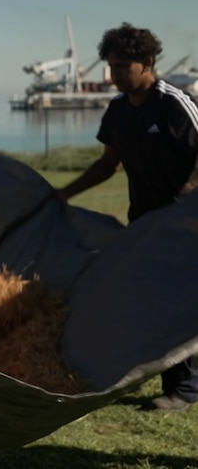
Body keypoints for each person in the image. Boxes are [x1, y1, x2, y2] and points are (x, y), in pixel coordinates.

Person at [54, 22, 198, 411]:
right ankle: (173, 381)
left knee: (173, 299)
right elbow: (108, 165)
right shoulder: (118, 111)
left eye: (122, 68)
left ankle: (184, 390)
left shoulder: (174, 103)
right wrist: (64, 193)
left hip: (187, 226)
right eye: (111, 67)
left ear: (147, 62)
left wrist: (189, 194)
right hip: (145, 223)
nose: (113, 75)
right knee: (152, 297)